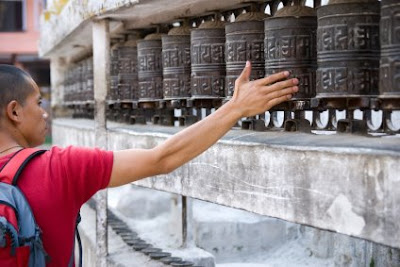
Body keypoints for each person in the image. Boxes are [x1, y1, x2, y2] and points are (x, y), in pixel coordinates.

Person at [0, 62, 298, 266]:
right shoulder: (60, 168)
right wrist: (237, 108)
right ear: (15, 112)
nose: (45, 113)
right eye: (38, 103)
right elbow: (163, 158)